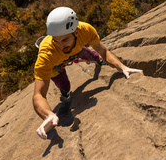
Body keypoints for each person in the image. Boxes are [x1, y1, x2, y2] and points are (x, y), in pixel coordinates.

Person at [33, 7, 143, 139]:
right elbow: (38, 94)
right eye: (56, 40)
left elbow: (104, 51)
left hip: (76, 50)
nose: (61, 45)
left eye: (65, 40)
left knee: (95, 56)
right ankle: (65, 93)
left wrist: (122, 67)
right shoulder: (46, 55)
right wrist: (48, 115)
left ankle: (97, 62)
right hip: (55, 64)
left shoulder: (86, 30)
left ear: (77, 32)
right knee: (65, 85)